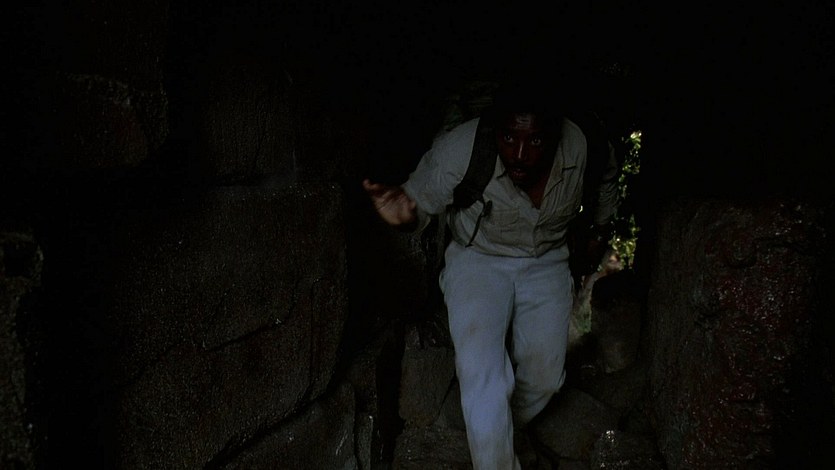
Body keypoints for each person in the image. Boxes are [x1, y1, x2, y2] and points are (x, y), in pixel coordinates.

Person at [363, 79, 619, 469]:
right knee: (483, 378)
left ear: (555, 133)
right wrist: (404, 214)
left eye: (535, 141)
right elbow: (417, 201)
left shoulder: (586, 145)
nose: (520, 155)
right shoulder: (462, 149)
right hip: (478, 259)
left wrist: (599, 230)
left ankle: (494, 428)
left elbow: (605, 182)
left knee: (545, 378)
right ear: (495, 128)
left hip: (547, 258)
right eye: (509, 138)